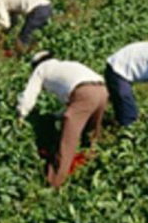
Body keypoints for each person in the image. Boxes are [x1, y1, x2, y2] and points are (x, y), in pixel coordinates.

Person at [17, 51, 107, 188]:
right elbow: (75, 103)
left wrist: (21, 114)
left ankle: (54, 183)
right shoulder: (65, 66)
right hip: (102, 90)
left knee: (67, 143)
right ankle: (93, 169)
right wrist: (57, 116)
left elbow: (30, 94)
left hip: (84, 93)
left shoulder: (41, 69)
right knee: (91, 136)